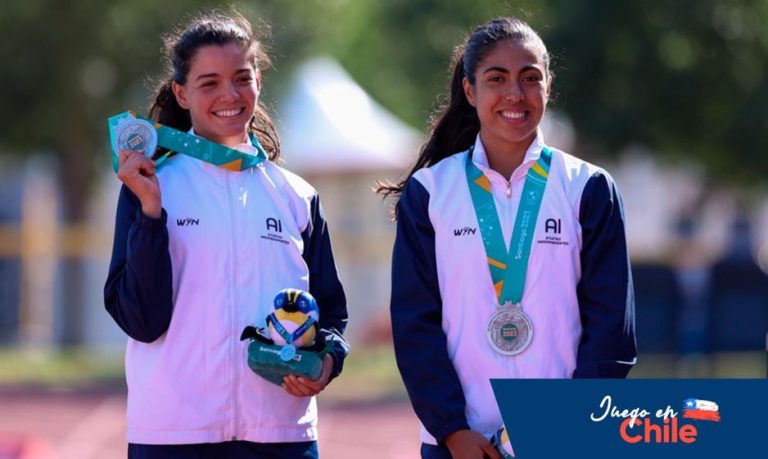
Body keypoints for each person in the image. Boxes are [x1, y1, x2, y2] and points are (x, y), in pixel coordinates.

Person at [380, 17, 636, 458]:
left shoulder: (587, 187)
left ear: (548, 86)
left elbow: (611, 325)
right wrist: (451, 428)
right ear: (470, 91)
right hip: (460, 443)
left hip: (565, 437)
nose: (515, 94)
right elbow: (414, 322)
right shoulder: (431, 192)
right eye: (496, 79)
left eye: (530, 78)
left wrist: (572, 420)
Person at [104, 12, 349, 459]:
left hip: (280, 435)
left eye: (241, 78)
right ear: (181, 92)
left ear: (259, 79)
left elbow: (331, 312)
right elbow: (142, 321)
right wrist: (151, 213)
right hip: (174, 434)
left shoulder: (296, 196)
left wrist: (327, 362)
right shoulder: (151, 185)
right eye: (209, 82)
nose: (229, 95)